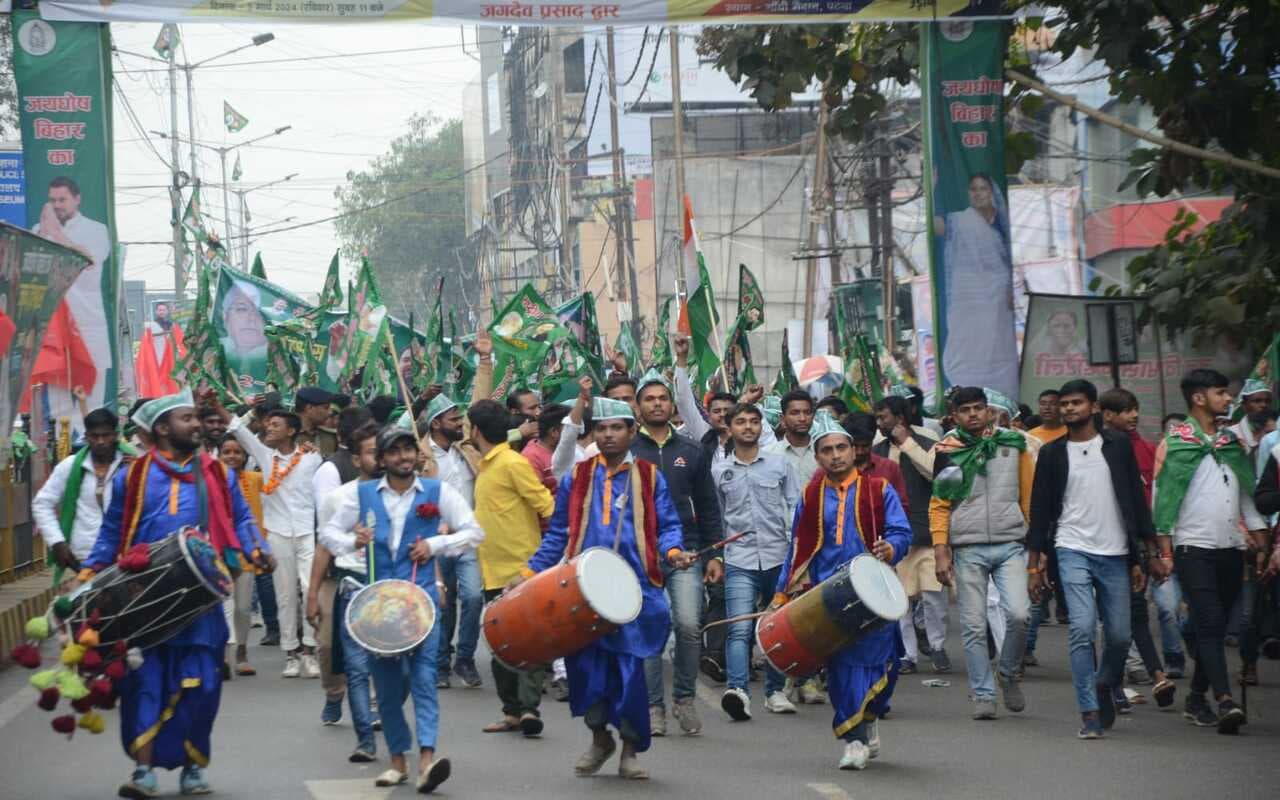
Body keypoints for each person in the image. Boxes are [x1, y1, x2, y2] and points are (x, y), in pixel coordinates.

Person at [80, 389, 271, 798]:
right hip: (144, 600)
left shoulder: (219, 474)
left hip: (200, 599)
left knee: (201, 686)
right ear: (163, 428)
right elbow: (112, 530)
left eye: (196, 418)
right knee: (144, 685)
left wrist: (256, 547)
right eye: (187, 418)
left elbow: (241, 518)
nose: (197, 424)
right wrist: (91, 571)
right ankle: (143, 771)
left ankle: (193, 767)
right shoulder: (133, 475)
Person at [518, 397, 692, 780]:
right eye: (601, 428)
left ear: (632, 432)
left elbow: (668, 525)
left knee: (630, 675)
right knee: (585, 672)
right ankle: (600, 739)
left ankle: (629, 750)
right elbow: (559, 533)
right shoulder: (577, 477)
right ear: (593, 433)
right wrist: (530, 572)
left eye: (616, 428)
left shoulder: (650, 477)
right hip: (582, 593)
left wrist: (674, 551)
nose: (608, 435)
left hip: (635, 592)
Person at [319, 425, 483, 793]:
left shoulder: (437, 491)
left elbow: (474, 531)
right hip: (377, 605)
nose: (403, 457)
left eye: (408, 449)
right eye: (394, 451)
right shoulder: (359, 495)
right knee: (388, 687)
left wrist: (435, 545)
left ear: (416, 455)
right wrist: (353, 540)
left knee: (424, 680)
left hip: (421, 603)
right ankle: (397, 762)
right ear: (382, 459)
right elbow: (327, 535)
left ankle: (427, 759)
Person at [771, 412, 912, 770]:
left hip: (875, 594)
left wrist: (891, 548)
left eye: (841, 448)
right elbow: (797, 548)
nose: (835, 456)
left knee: (884, 666)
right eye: (827, 450)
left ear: (853, 450)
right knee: (843, 670)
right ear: (818, 457)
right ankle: (854, 741)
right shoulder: (811, 495)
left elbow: (901, 532)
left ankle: (869, 716)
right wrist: (782, 593)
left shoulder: (879, 490)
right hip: (829, 598)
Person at [1027, 380, 1165, 738]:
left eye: (1076, 403)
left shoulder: (1117, 446)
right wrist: (1034, 564)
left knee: (1119, 635)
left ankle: (1104, 683)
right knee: (1082, 628)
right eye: (1064, 404)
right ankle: (1089, 711)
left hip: (1115, 553)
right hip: (1070, 548)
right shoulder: (1052, 453)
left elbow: (1135, 501)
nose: (1069, 409)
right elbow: (1040, 510)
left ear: (1093, 407)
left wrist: (1148, 553)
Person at [1153, 369, 1269, 734]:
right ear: (1199, 398)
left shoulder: (1231, 443)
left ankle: (1196, 697)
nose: (1228, 398)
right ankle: (1225, 699)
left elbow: (1246, 496)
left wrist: (1262, 541)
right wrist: (1165, 551)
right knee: (1212, 621)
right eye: (1221, 392)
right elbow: (1162, 499)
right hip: (1193, 548)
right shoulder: (1175, 443)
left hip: (1231, 549)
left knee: (1212, 628)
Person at [628, 368, 723, 736]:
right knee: (650, 630)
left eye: (663, 398)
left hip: (688, 553)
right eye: (649, 399)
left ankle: (683, 698)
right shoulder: (628, 451)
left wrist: (714, 555)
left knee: (688, 625)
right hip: (642, 556)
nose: (657, 404)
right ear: (637, 407)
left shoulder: (692, 450)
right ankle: (654, 707)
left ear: (673, 406)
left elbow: (709, 506)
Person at [930, 386, 1035, 720]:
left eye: (978, 408)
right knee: (974, 625)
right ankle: (984, 694)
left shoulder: (1014, 444)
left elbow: (1028, 495)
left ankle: (1008, 672)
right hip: (968, 546)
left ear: (989, 411)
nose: (973, 414)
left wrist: (1037, 547)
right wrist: (941, 551)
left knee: (1020, 615)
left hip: (1010, 542)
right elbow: (940, 504)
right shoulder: (948, 450)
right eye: (966, 410)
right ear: (954, 416)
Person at [212, 394, 324, 679]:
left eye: (275, 425)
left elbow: (322, 496)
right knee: (285, 595)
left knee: (309, 589)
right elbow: (239, 429)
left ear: (291, 431)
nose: (269, 428)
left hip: (306, 533)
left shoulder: (312, 457)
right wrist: (216, 406)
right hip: (277, 533)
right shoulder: (264, 455)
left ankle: (310, 651)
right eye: (268, 425)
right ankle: (291, 653)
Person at [469, 398, 555, 736]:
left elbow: (546, 505)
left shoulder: (512, 463)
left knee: (528, 640)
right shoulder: (488, 464)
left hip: (522, 568)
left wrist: (553, 552)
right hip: (492, 570)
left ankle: (529, 709)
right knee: (499, 644)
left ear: (476, 430)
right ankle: (511, 712)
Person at [713, 402, 801, 720]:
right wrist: (718, 557)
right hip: (739, 559)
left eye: (753, 421)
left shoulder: (780, 464)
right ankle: (738, 691)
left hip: (779, 557)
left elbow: (795, 506)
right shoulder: (719, 471)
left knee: (777, 628)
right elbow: (718, 517)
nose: (748, 426)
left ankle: (775, 692)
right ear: (730, 428)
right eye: (741, 421)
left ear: (761, 426)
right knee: (739, 628)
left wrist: (796, 552)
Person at [307, 420, 380, 761]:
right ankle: (334, 693)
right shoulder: (338, 497)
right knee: (326, 645)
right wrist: (312, 595)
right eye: (373, 452)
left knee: (377, 658)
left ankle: (373, 712)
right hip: (340, 580)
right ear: (355, 458)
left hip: (382, 584)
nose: (381, 458)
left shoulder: (401, 492)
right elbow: (324, 546)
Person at [872, 396, 949, 674]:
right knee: (900, 599)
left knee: (933, 595)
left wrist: (907, 443)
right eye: (877, 418)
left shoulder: (927, 440)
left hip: (927, 530)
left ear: (900, 418)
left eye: (883, 417)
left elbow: (935, 474)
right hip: (894, 535)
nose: (879, 423)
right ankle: (908, 654)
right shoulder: (878, 450)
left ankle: (938, 646)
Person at [414, 394, 485, 691]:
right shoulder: (419, 456)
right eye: (453, 419)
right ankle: (441, 662)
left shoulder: (467, 449)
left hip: (467, 539)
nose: (459, 423)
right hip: (436, 541)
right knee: (441, 603)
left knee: (473, 597)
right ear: (436, 423)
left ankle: (465, 658)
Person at [932, 173, 1019, 399]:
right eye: (974, 189)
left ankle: (1002, 396)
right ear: (968, 194)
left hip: (999, 299)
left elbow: (1010, 259)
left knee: (997, 343)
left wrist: (1011, 289)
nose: (978, 193)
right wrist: (931, 189)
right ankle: (968, 388)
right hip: (968, 296)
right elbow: (936, 227)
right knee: (968, 341)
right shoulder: (961, 221)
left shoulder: (1002, 222)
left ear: (992, 192)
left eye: (983, 188)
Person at [32, 176, 112, 416]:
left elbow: (88, 260)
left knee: (94, 407)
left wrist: (56, 234)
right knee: (59, 412)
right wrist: (44, 233)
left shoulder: (96, 230)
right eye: (52, 200)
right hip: (54, 332)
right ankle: (64, 442)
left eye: (62, 200)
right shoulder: (38, 231)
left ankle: (93, 440)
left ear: (77, 199)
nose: (57, 205)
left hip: (88, 326)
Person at [32, 407, 131, 582]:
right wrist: (57, 542)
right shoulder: (70, 466)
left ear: (115, 435)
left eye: (106, 435)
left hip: (125, 555)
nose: (100, 441)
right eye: (95, 436)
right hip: (83, 558)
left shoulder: (131, 464)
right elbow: (42, 503)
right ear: (86, 437)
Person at [216, 436, 261, 679]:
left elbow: (281, 475)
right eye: (226, 452)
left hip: (245, 552)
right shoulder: (210, 481)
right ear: (218, 455)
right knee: (223, 605)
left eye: (237, 452)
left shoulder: (254, 479)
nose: (232, 456)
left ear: (245, 457)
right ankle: (223, 656)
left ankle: (242, 652)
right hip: (218, 552)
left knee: (243, 607)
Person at [765, 389, 818, 483]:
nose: (802, 418)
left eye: (807, 412)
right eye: (795, 413)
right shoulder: (768, 454)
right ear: (782, 419)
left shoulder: (825, 452)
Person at [523, 405, 571, 494]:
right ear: (554, 432)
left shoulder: (570, 448)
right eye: (570, 428)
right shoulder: (531, 458)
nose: (575, 431)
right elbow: (535, 496)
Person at [295, 386, 340, 457]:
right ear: (309, 408)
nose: (330, 412)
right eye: (326, 408)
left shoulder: (331, 437)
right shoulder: (285, 435)